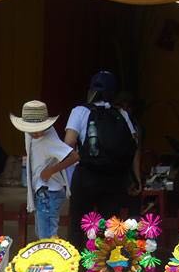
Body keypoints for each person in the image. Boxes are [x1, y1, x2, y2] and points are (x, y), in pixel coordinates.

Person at [41, 71, 141, 245]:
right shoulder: (122, 114)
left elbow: (69, 144)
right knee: (110, 226)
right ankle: (108, 266)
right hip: (115, 178)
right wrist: (136, 178)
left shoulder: (80, 111)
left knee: (79, 225)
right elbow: (133, 147)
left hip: (86, 176)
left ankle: (78, 265)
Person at [10, 100, 74, 239]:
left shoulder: (50, 138)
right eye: (32, 130)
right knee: (42, 236)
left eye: (39, 128)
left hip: (49, 192)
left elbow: (74, 156)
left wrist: (50, 171)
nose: (36, 133)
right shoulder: (29, 134)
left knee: (48, 238)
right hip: (41, 191)